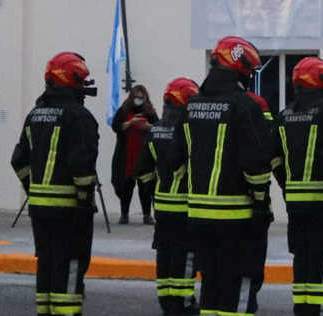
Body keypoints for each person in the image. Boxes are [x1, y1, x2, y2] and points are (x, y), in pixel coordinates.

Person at [170, 36, 272, 315]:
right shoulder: (244, 106)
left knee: (211, 289)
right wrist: (261, 201)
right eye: (249, 72)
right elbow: (256, 164)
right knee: (237, 288)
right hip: (237, 218)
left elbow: (174, 159)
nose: (249, 77)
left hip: (199, 218)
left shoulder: (191, 106)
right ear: (239, 68)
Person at [11, 52, 99, 316]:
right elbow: (81, 166)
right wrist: (84, 202)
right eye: (81, 81)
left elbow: (18, 160)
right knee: (71, 263)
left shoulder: (35, 115)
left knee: (47, 263)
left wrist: (34, 190)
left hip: (39, 209)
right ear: (70, 79)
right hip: (70, 210)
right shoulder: (79, 116)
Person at [275, 57, 323, 316]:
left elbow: (274, 158)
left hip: (295, 205)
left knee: (303, 258)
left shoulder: (284, 115)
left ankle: (303, 309)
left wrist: (288, 185)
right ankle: (321, 309)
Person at [136, 77, 200, 316]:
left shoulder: (154, 132)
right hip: (187, 207)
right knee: (185, 257)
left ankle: (166, 301)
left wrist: (154, 192)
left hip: (162, 208)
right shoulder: (191, 132)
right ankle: (183, 302)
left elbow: (142, 172)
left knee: (164, 254)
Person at [111, 85, 158, 224]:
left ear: (145, 98)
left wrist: (147, 126)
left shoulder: (150, 112)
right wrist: (130, 123)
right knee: (125, 186)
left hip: (144, 155)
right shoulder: (123, 111)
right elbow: (116, 127)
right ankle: (124, 214)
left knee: (145, 187)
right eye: (136, 97)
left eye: (141, 98)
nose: (138, 100)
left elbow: (158, 127)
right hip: (126, 155)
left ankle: (147, 215)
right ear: (132, 97)